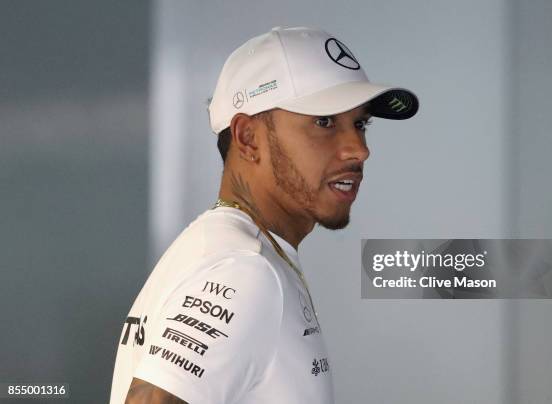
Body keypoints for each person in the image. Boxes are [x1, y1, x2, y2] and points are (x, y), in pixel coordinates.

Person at [109, 26, 418, 404]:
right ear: (248, 138)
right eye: (324, 122)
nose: (358, 149)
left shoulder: (235, 251)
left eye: (359, 124)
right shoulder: (244, 270)